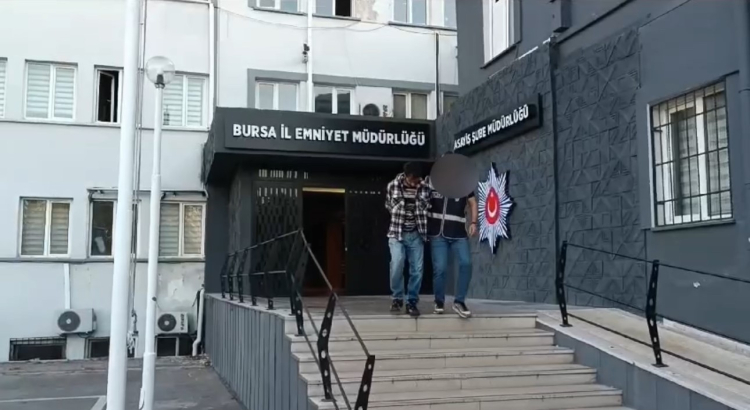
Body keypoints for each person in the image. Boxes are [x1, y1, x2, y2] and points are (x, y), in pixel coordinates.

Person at [426, 174, 478, 318]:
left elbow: (473, 202)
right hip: (437, 234)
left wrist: (473, 222)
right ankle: (439, 301)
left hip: (458, 233)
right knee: (440, 268)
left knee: (466, 263)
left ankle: (459, 301)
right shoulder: (431, 182)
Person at [385, 162, 431, 317]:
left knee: (417, 269)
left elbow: (428, 206)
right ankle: (397, 298)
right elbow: (388, 205)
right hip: (397, 233)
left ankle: (412, 301)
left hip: (416, 233)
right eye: (411, 180)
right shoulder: (392, 186)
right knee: (397, 264)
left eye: (416, 180)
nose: (414, 183)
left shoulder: (425, 187)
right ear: (405, 176)